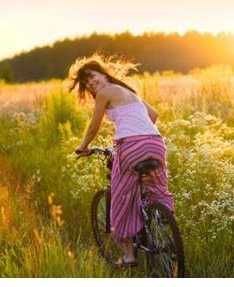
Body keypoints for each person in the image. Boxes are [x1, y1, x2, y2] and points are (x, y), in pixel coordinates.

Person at [67, 53, 174, 268]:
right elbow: (153, 115)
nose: (91, 82)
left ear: (102, 73)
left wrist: (83, 146)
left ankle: (129, 255)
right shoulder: (129, 91)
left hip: (131, 147)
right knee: (156, 188)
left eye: (92, 76)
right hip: (155, 143)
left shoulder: (105, 93)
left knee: (121, 197)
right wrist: (138, 130)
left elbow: (93, 126)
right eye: (86, 81)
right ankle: (162, 219)